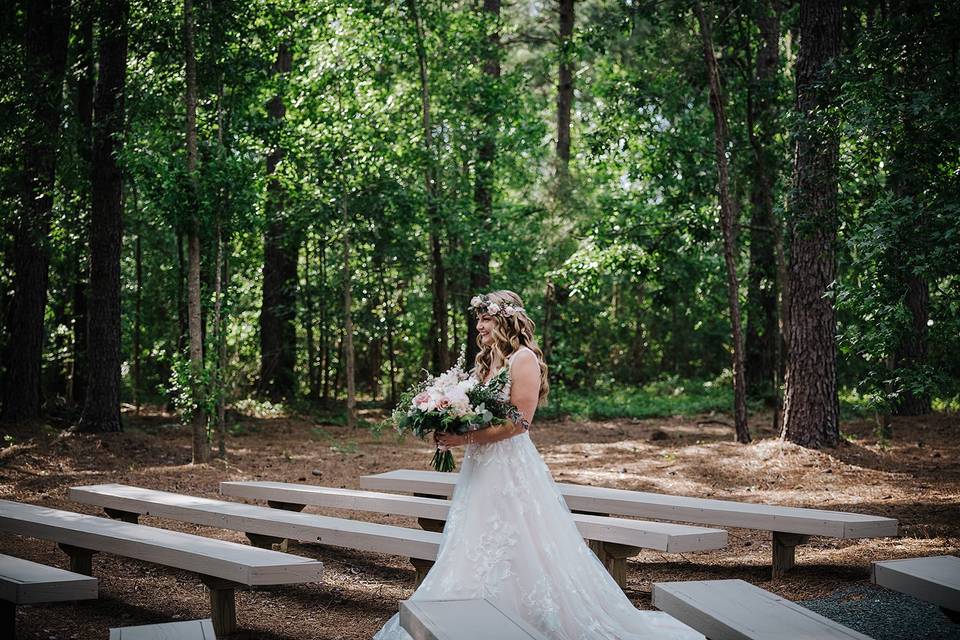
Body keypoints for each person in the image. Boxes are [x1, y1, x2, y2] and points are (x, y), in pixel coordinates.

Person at [372, 290, 700, 639]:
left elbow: (519, 423)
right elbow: (479, 415)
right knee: (475, 538)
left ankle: (525, 617)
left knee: (518, 540)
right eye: (478, 320)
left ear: (505, 320)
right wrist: (449, 420)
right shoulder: (487, 362)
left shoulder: (523, 359)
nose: (479, 326)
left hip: (509, 468)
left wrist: (462, 438)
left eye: (486, 319)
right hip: (480, 467)